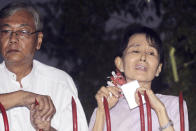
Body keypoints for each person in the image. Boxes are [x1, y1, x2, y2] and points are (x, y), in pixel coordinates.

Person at [0, 2, 88, 131]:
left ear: (38, 41)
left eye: (23, 31)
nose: (13, 38)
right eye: (6, 31)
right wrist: (22, 97)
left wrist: (47, 129)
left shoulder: (60, 82)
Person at [89, 25, 189, 131]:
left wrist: (160, 111)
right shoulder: (104, 110)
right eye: (135, 51)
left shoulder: (173, 105)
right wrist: (102, 113)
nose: (143, 57)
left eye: (151, 53)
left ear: (158, 69)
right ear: (120, 63)